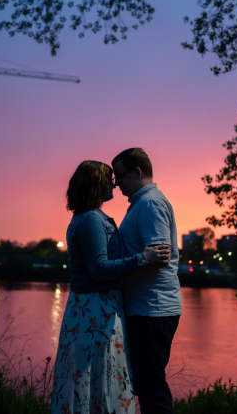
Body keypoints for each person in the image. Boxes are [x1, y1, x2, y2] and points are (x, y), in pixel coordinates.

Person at [51, 160, 171, 414]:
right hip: (95, 309)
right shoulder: (91, 220)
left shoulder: (90, 217)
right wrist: (143, 258)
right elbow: (99, 268)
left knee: (94, 377)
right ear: (96, 183)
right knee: (97, 376)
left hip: (95, 307)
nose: (114, 184)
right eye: (109, 179)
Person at [111, 148, 182, 414]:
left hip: (153, 308)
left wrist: (116, 272)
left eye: (119, 176)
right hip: (145, 308)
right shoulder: (142, 204)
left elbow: (159, 257)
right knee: (145, 384)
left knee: (151, 387)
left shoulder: (150, 203)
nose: (116, 183)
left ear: (137, 172)